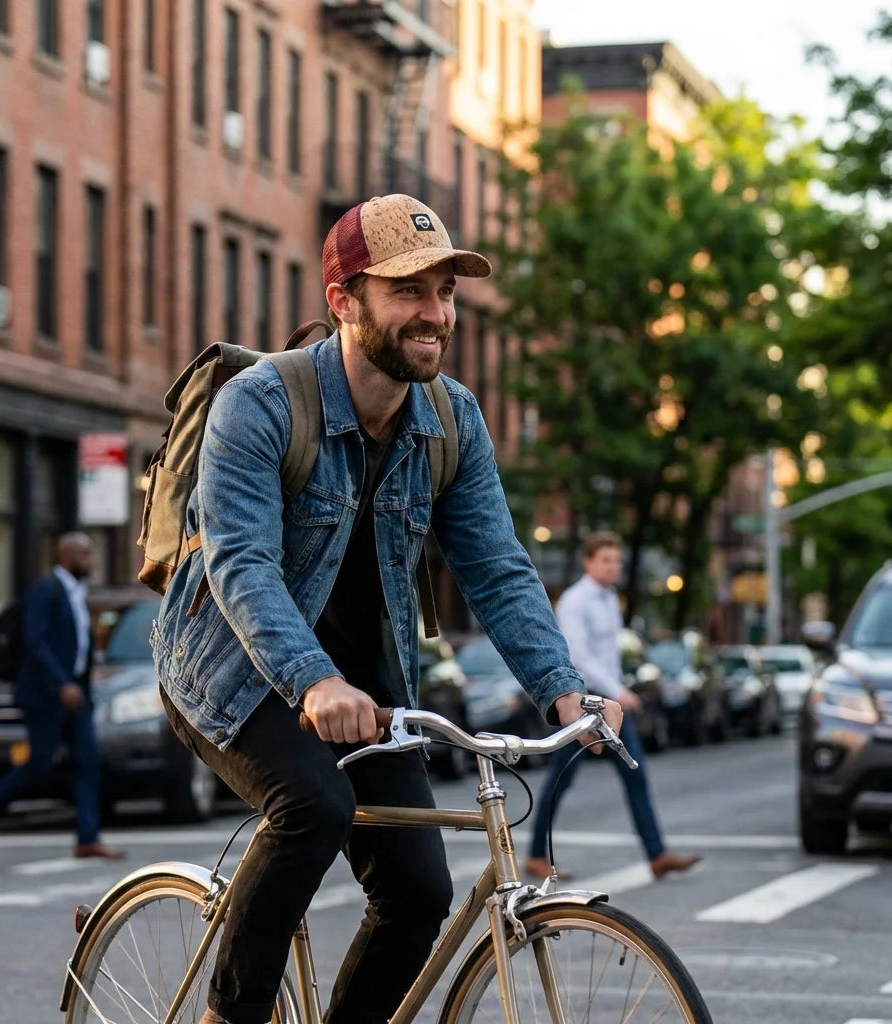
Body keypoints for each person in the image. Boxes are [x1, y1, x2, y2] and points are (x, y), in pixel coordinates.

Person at [152, 193, 623, 1024]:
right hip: (232, 665)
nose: (435, 313)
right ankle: (230, 1014)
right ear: (344, 301)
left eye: (445, 292)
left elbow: (498, 570)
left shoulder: (453, 420)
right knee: (315, 807)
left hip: (369, 684)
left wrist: (563, 688)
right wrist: (312, 682)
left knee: (419, 889)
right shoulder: (260, 404)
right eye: (409, 291)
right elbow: (243, 564)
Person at [524, 531, 700, 882]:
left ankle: (657, 854)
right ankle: (536, 854)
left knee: (635, 772)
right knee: (562, 776)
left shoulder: (609, 600)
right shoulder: (576, 601)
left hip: (609, 702)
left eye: (617, 561)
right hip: (581, 700)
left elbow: (608, 655)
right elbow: (578, 656)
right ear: (588, 562)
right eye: (606, 560)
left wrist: (617, 691)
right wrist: (618, 690)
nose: (613, 567)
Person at [0, 533, 124, 862]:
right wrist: (62, 684)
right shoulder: (44, 590)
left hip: (76, 693)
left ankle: (87, 838)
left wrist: (79, 685)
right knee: (39, 763)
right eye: (86, 554)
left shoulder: (77, 593)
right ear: (67, 556)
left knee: (88, 762)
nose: (91, 560)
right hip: (49, 695)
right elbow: (36, 642)